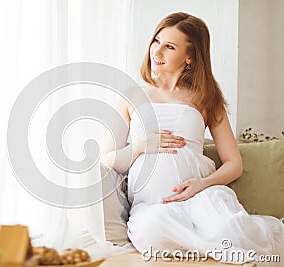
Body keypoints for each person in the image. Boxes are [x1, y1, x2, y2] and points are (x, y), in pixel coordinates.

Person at [101, 12, 284, 265]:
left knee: (231, 231)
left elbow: (234, 163)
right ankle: (210, 249)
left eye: (170, 46)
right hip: (153, 205)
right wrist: (141, 146)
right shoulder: (131, 95)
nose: (157, 51)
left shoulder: (206, 99)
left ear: (189, 57)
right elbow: (108, 159)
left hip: (202, 198)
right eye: (156, 41)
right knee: (150, 234)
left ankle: (212, 242)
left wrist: (202, 184)